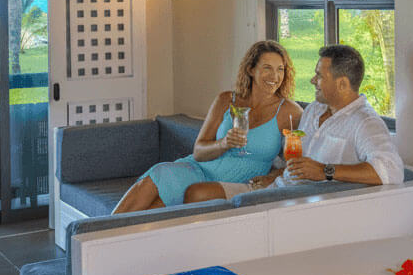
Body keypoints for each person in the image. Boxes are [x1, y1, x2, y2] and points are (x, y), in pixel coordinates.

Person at [184, 44, 402, 203]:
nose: (313, 80)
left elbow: (392, 171)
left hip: (295, 200)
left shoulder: (365, 122)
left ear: (342, 84)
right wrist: (273, 176)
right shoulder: (314, 109)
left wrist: (325, 171)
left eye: (319, 76)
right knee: (197, 193)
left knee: (201, 196)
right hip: (275, 186)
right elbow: (295, 159)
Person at [111, 40, 303, 213]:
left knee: (154, 210)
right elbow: (199, 152)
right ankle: (100, 231)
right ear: (251, 69)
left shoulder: (290, 112)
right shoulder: (225, 100)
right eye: (267, 68)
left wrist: (272, 176)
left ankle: (109, 237)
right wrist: (224, 143)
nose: (275, 76)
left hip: (237, 181)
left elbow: (299, 159)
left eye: (280, 69)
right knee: (158, 174)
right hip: (198, 169)